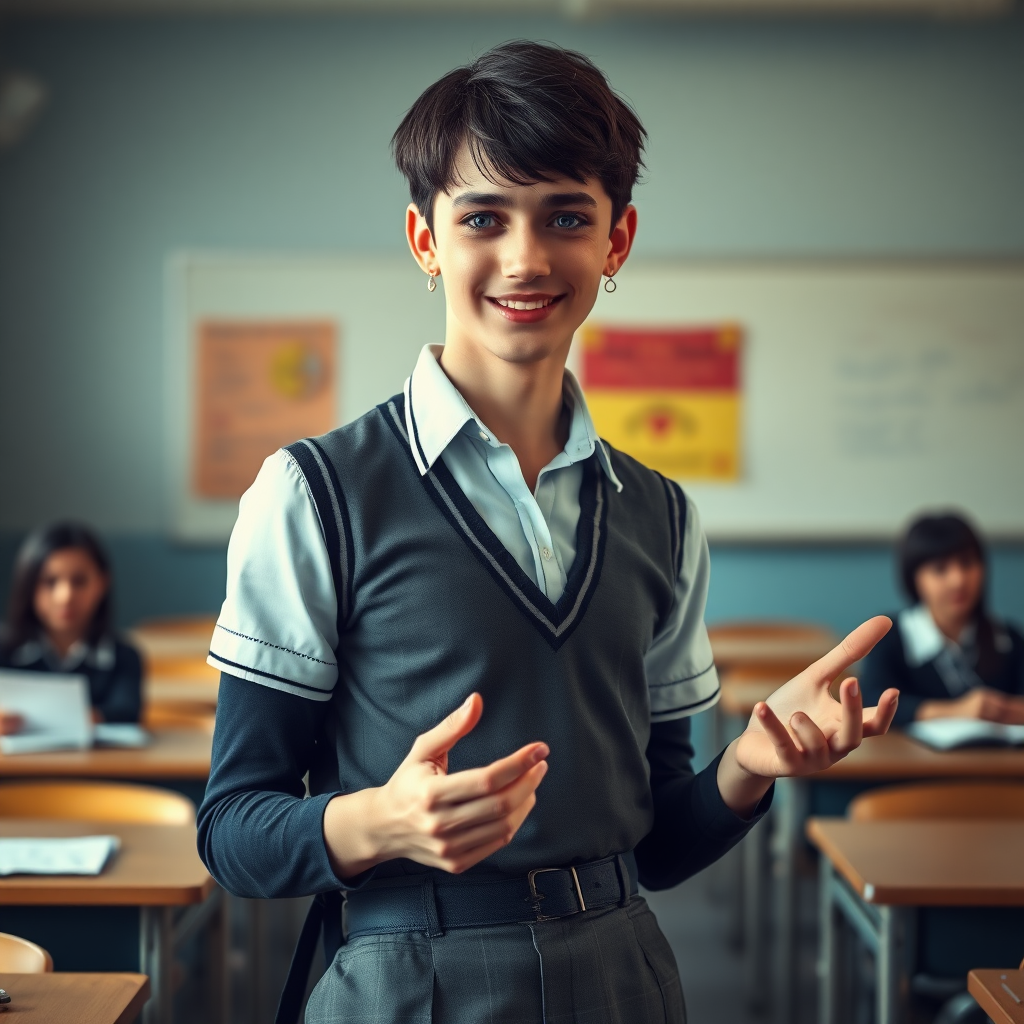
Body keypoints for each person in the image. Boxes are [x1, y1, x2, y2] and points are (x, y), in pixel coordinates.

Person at [196, 41, 898, 1024]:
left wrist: (748, 766)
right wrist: (381, 820)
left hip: (624, 977)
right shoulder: (311, 491)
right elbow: (233, 832)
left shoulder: (661, 514)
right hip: (406, 979)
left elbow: (654, 848)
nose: (525, 258)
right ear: (423, 238)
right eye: (482, 217)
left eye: (567, 216)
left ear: (616, 241)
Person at [861, 512, 1024, 728]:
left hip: (999, 760)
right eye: (940, 569)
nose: (958, 580)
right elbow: (872, 703)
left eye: (967, 563)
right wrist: (957, 711)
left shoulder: (1007, 637)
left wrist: (1001, 711)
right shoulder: (890, 635)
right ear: (914, 579)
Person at [0, 522, 142, 726]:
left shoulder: (123, 656)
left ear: (102, 583)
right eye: (50, 582)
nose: (65, 596)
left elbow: (127, 711)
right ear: (28, 586)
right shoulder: (5, 650)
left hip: (102, 758)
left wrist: (61, 720)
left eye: (79, 581)